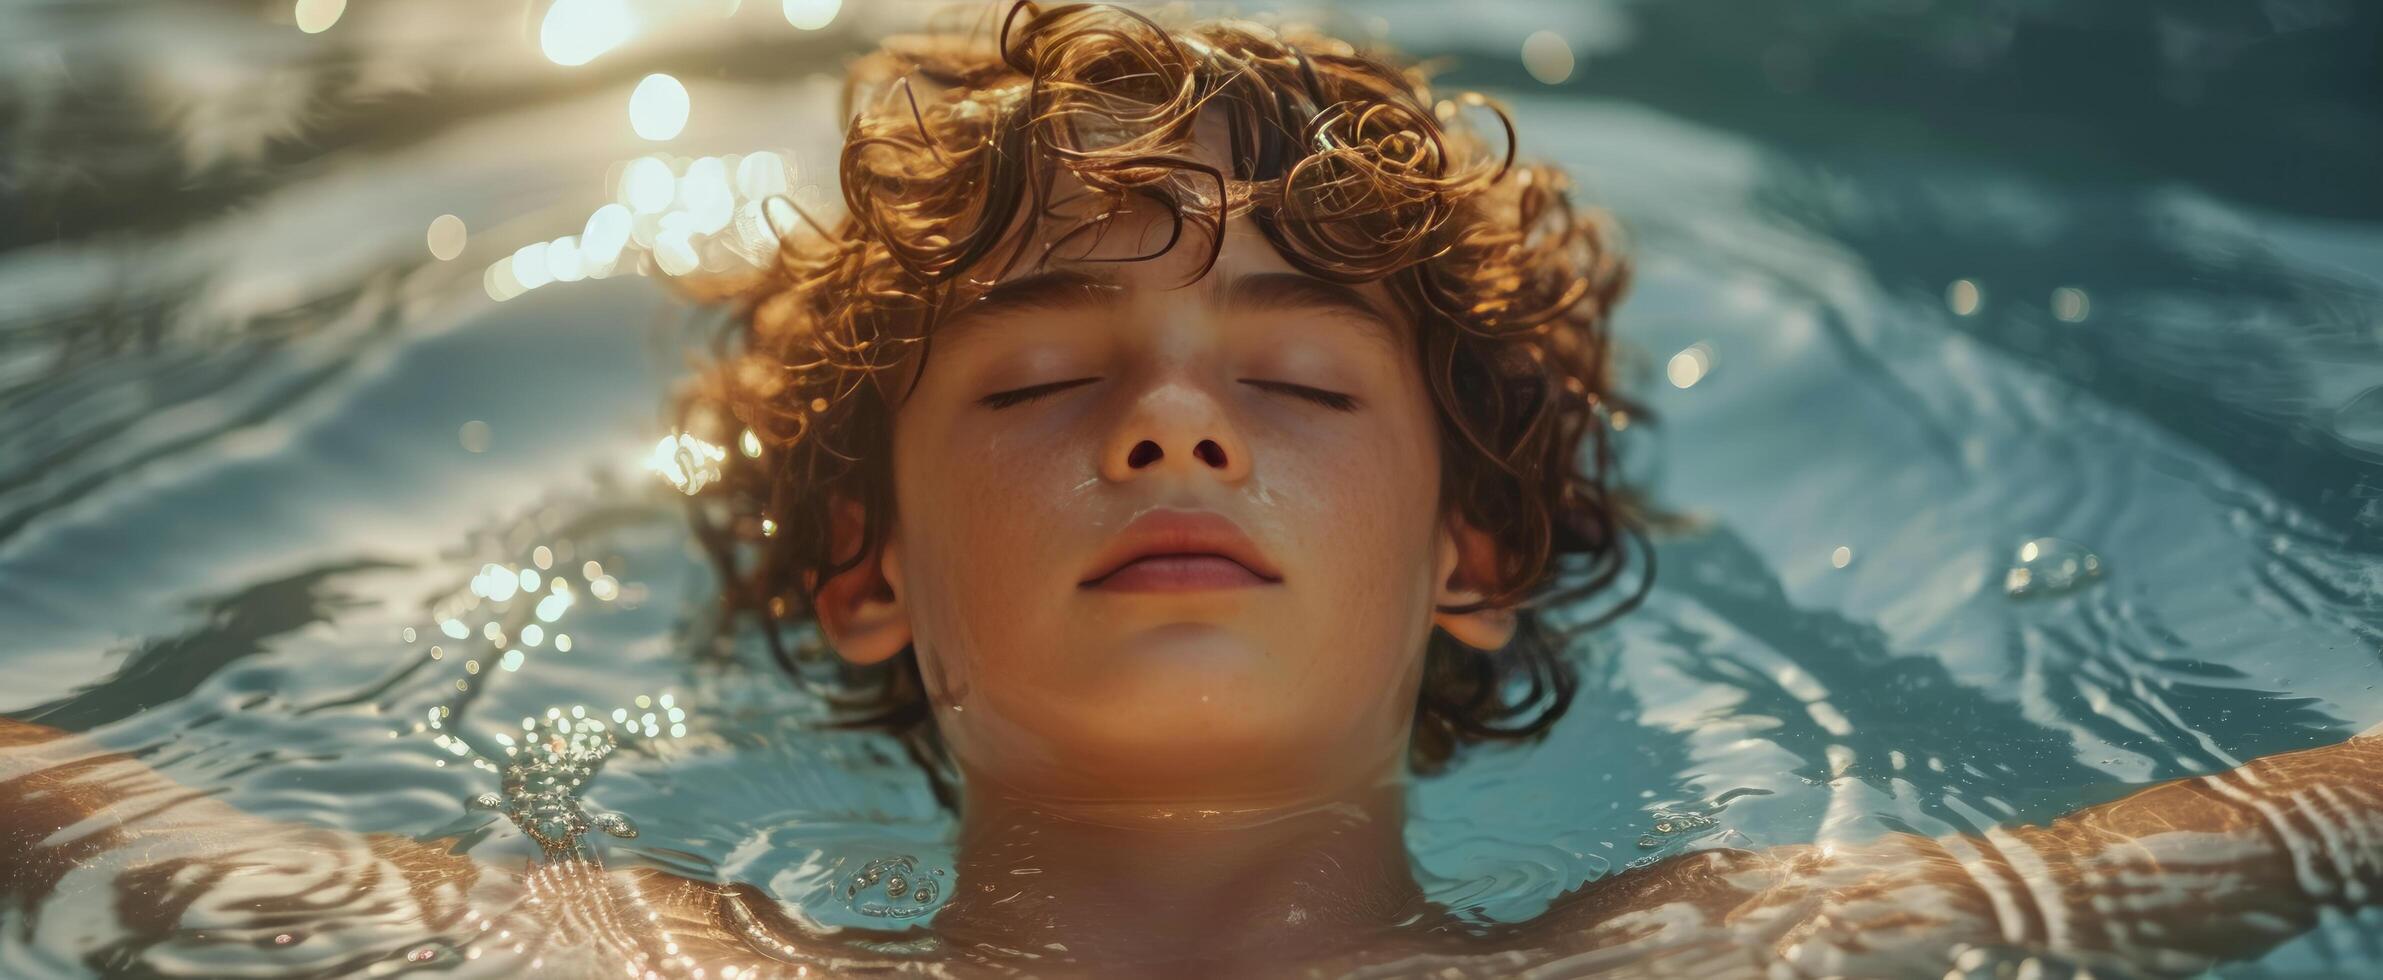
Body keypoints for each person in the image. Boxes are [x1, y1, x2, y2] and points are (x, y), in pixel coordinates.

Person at [7, 4, 2383, 978]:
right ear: (865, 576)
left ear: (1467, 558)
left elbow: (2276, 838)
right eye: (1045, 377)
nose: (1170, 426)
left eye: (1298, 389)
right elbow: (113, 829)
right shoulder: (656, 961)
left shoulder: (1689, 952)